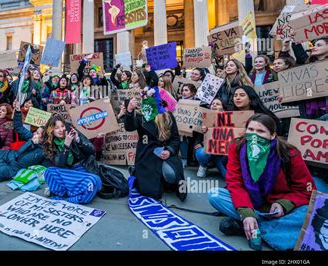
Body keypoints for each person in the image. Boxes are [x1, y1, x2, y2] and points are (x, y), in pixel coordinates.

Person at [208, 114, 315, 250]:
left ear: (272, 135)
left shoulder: (289, 153)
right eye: (251, 130)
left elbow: (306, 191)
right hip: (250, 202)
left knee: (310, 211)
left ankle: (251, 228)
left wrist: (284, 204)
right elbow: (234, 183)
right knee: (215, 195)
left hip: (279, 206)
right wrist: (246, 213)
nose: (254, 135)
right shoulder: (237, 147)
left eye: (260, 131)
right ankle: (261, 225)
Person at [124, 87, 185, 201]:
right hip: (147, 155)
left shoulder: (168, 116)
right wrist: (129, 111)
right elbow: (129, 127)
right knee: (150, 192)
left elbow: (176, 139)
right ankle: (137, 172)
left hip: (165, 153)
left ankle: (164, 180)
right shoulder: (140, 116)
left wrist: (169, 151)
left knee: (171, 175)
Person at [41, 114, 102, 204]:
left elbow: (92, 150)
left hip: (83, 170)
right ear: (51, 131)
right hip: (68, 173)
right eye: (57, 128)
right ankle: (69, 192)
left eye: (62, 126)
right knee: (48, 172)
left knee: (94, 181)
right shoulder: (51, 144)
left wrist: (78, 139)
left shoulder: (73, 133)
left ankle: (70, 197)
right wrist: (66, 146)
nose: (61, 130)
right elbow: (60, 165)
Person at [194, 98, 228, 178]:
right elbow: (197, 139)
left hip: (222, 154)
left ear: (223, 107)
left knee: (227, 177)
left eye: (218, 104)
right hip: (207, 150)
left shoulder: (230, 120)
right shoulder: (204, 118)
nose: (214, 105)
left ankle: (218, 164)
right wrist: (200, 141)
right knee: (202, 153)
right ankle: (203, 166)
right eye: (213, 104)